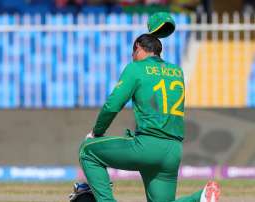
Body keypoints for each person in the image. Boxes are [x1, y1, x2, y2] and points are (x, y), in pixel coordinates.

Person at [72, 34, 220, 202]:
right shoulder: (176, 71)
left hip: (147, 146)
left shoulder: (136, 68)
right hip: (173, 150)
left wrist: (97, 132)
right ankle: (199, 198)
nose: (132, 57)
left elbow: (113, 105)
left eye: (133, 52)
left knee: (87, 150)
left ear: (138, 47)